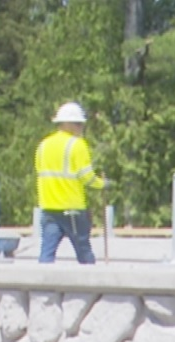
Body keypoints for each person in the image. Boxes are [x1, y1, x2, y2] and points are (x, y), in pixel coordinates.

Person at [35, 101, 108, 264]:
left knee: (47, 253)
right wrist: (103, 184)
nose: (81, 128)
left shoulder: (43, 145)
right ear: (66, 124)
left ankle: (42, 285)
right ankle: (92, 285)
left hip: (48, 208)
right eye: (78, 124)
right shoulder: (77, 145)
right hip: (72, 209)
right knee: (83, 250)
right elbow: (87, 177)